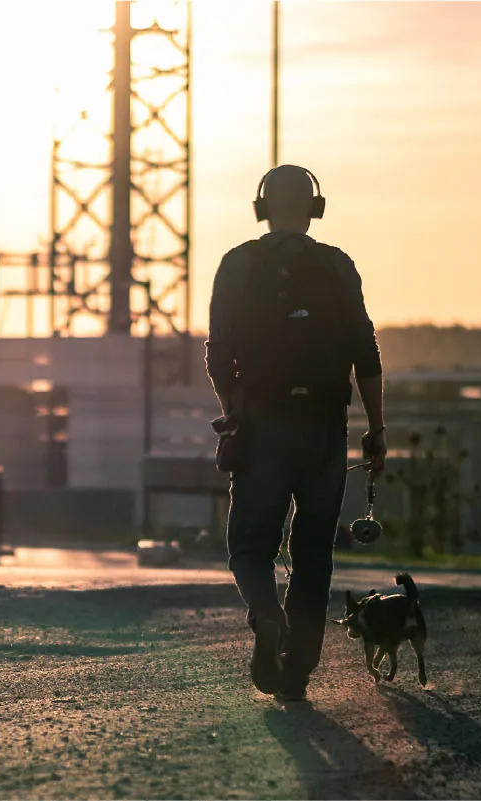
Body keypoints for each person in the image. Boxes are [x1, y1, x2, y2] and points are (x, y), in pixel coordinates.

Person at [205, 163, 387, 703]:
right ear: (315, 208)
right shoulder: (337, 265)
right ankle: (298, 672)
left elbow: (218, 354)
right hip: (326, 431)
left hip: (262, 427)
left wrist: (234, 410)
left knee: (249, 546)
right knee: (314, 554)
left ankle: (266, 615)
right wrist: (376, 429)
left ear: (262, 209)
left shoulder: (237, 264)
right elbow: (365, 352)